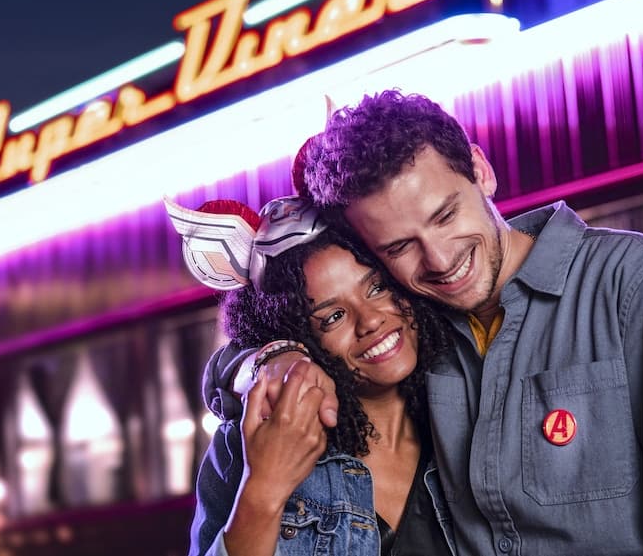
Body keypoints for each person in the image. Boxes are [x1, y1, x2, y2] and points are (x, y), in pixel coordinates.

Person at [209, 90, 643, 554]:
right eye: (400, 247)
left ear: (480, 171)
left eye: (445, 215)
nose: (439, 260)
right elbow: (267, 336)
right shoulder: (427, 330)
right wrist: (269, 358)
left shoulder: (635, 286)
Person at [166, 196, 456, 556]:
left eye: (377, 287)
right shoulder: (252, 443)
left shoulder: (465, 398)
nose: (371, 321)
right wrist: (264, 489)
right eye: (334, 317)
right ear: (300, 337)